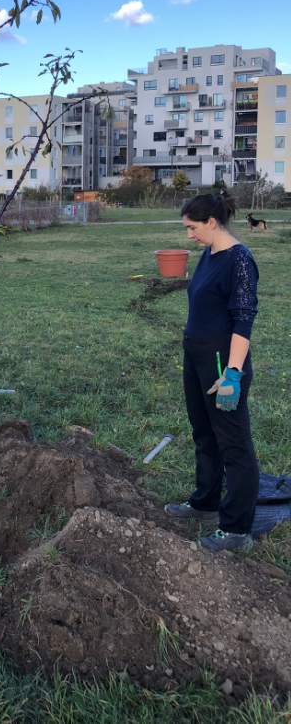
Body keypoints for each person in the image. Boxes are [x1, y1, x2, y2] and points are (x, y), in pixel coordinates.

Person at [165, 193, 260, 552]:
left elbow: (244, 319)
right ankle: (205, 505)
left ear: (211, 222)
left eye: (192, 228)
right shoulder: (209, 254)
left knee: (233, 442)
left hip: (223, 359)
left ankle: (236, 530)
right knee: (203, 433)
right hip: (197, 353)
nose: (189, 235)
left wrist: (233, 373)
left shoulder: (239, 260)